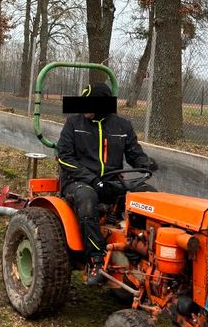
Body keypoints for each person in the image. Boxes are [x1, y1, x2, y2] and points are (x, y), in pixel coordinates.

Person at [57, 83, 156, 284]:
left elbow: (134, 154)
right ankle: (95, 258)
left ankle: (142, 251)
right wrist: (92, 180)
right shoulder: (74, 124)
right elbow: (64, 157)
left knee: (150, 195)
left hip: (112, 181)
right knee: (87, 197)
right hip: (79, 182)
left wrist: (145, 163)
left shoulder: (122, 126)